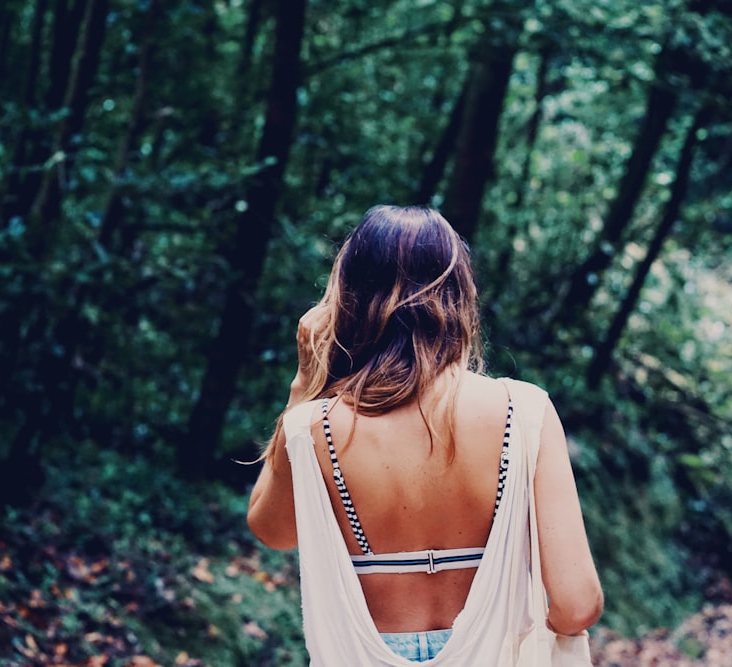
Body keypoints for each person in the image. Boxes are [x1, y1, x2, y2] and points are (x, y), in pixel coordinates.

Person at [247, 205, 603, 665]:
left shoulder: (312, 427)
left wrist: (304, 386)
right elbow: (577, 605)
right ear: (460, 297)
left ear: (348, 299)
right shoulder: (526, 412)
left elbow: (272, 531)